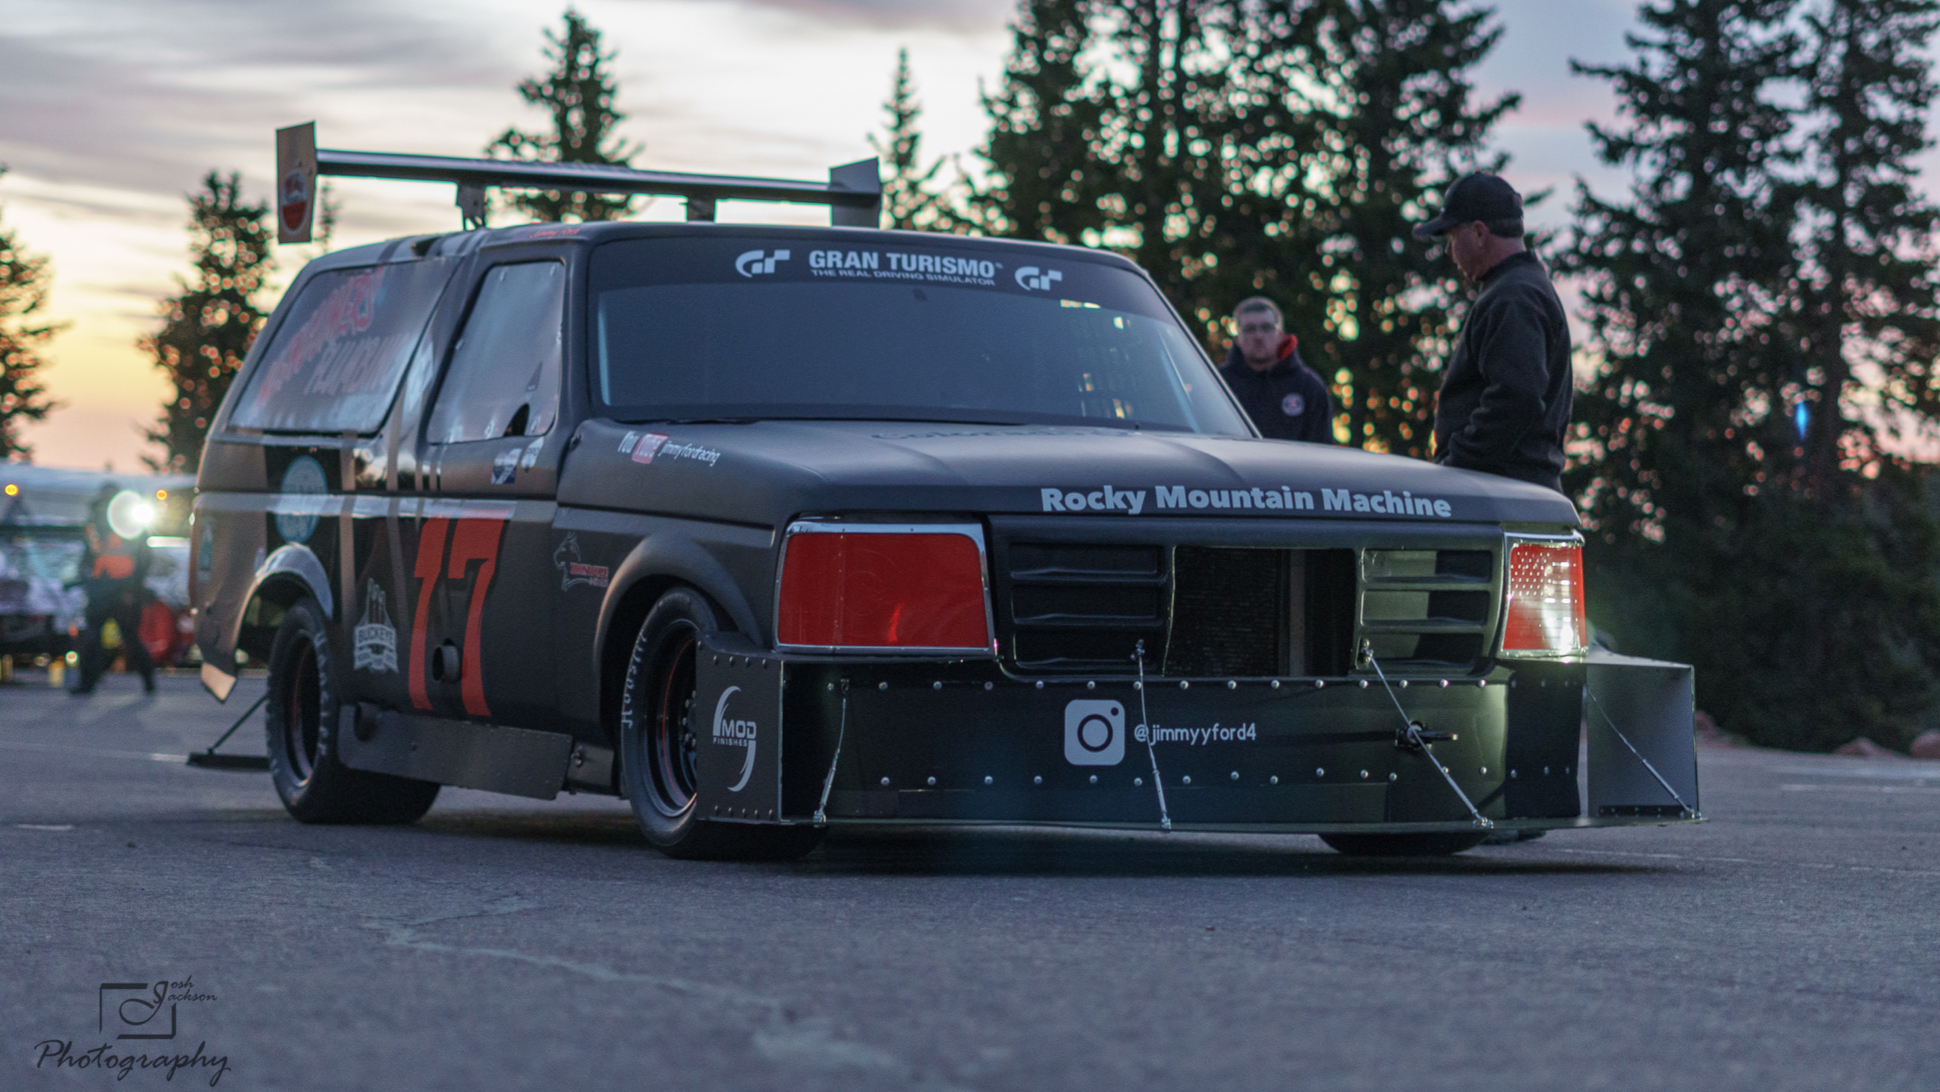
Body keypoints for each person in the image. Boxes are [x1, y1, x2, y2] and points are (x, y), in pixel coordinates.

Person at [1413, 173, 1571, 493]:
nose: (1449, 252)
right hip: (1510, 490)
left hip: (1501, 494)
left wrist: (1457, 464)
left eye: (1453, 237)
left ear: (1479, 232)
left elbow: (1518, 396)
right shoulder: (1520, 288)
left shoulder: (1514, 297)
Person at [72, 483, 155, 694]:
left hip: (110, 588)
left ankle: (87, 683)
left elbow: (88, 557)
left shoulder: (96, 523)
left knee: (103, 637)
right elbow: (144, 558)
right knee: (122, 637)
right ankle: (147, 681)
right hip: (113, 589)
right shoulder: (128, 523)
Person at [1217, 297, 1335, 443]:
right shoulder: (1218, 384)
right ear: (1237, 338)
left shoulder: (1308, 387)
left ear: (1281, 335)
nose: (1258, 336)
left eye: (1266, 328)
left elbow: (1322, 449)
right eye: (1249, 329)